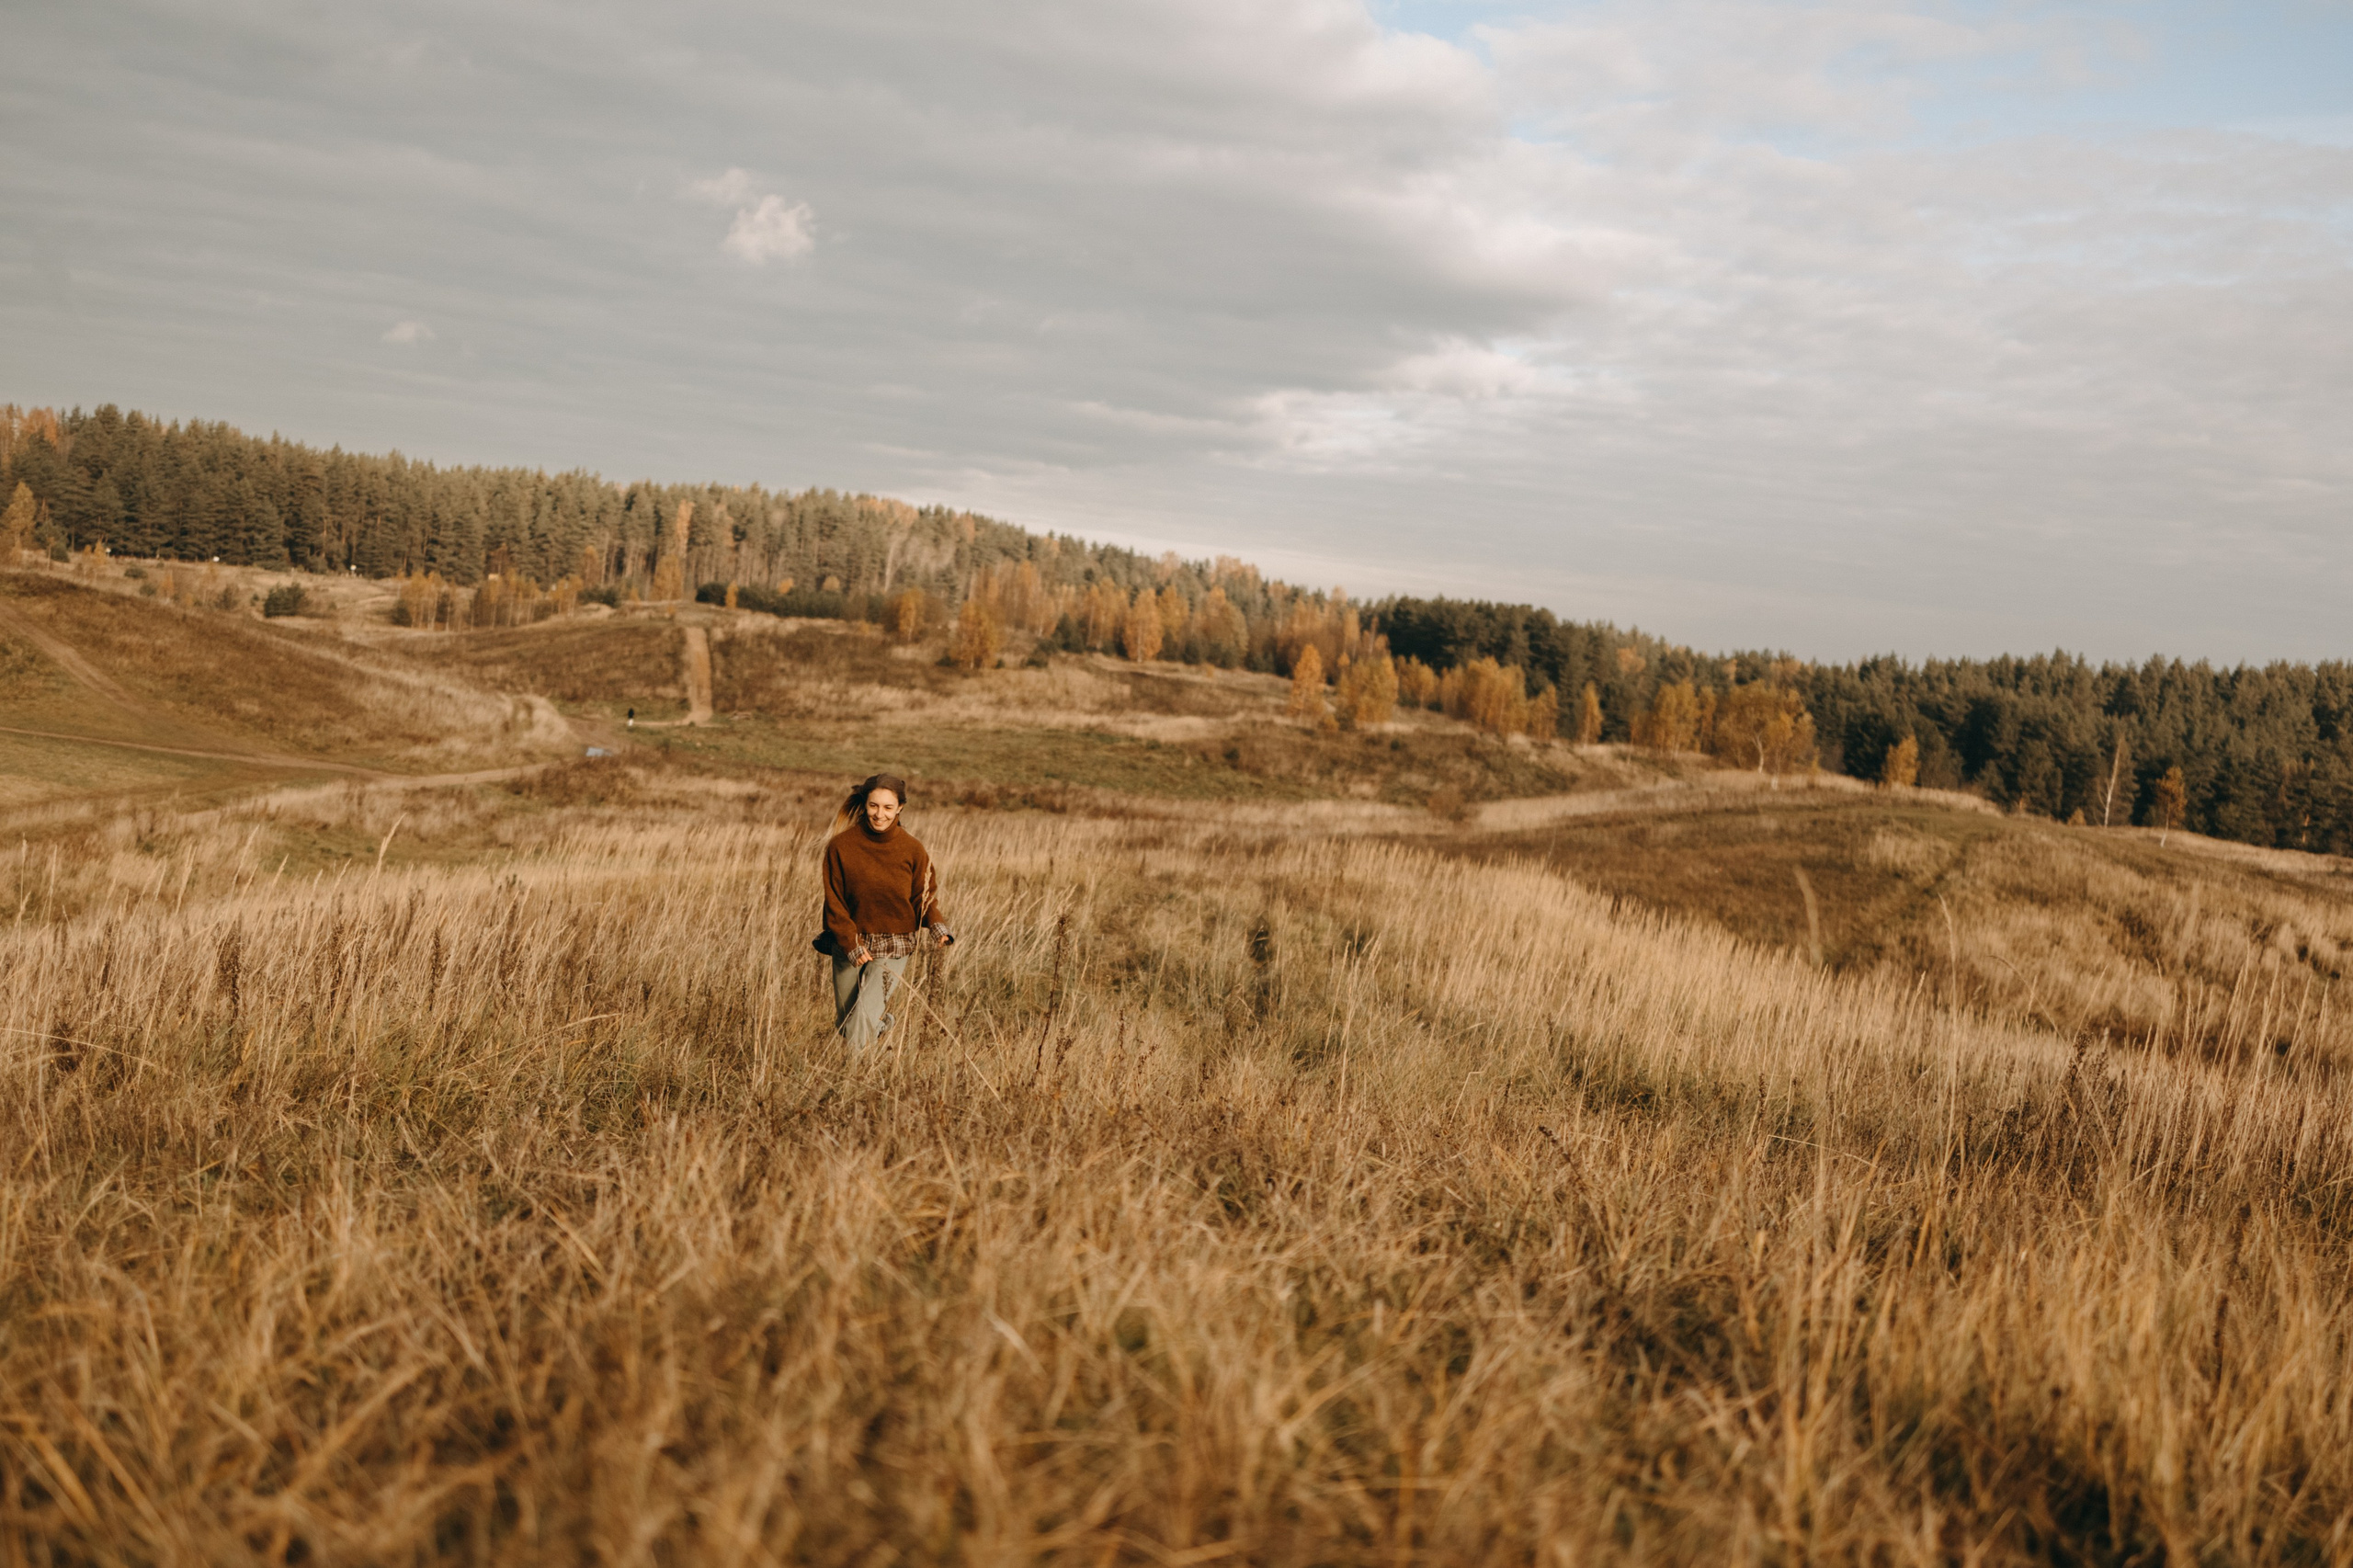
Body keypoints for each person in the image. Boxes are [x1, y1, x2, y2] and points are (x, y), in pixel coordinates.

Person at [817, 773, 953, 1054]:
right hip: (850, 943)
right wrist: (851, 943)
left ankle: (850, 1084)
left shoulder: (913, 849)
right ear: (865, 805)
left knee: (861, 1022)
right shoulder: (841, 847)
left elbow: (923, 896)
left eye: (888, 807)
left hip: (895, 943)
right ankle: (881, 1025)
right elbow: (835, 902)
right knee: (847, 1024)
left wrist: (937, 926)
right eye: (874, 806)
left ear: (900, 808)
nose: (880, 814)